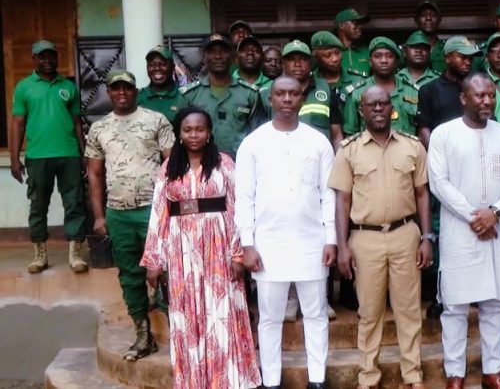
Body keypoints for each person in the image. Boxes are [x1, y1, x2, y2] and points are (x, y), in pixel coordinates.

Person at [141, 107, 260, 388]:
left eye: (200, 129)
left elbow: (237, 209)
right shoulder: (168, 167)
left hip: (219, 248)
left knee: (222, 313)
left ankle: (228, 381)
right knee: (188, 315)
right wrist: (154, 259)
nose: (194, 135)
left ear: (209, 133)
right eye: (188, 130)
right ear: (179, 134)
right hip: (180, 251)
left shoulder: (224, 164)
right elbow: (159, 213)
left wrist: (237, 253)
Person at [234, 76, 336, 389]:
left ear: (302, 98)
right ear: (271, 99)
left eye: (293, 93)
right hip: (268, 244)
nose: (287, 99)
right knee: (269, 318)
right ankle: (272, 381)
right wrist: (247, 244)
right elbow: (244, 197)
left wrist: (331, 237)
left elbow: (328, 194)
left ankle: (317, 379)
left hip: (311, 242)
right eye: (281, 94)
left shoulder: (318, 141)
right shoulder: (253, 142)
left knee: (316, 315)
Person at [428, 73, 500, 389]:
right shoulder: (444, 135)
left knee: (493, 305)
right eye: (479, 96)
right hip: (460, 232)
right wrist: (475, 217)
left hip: (496, 230)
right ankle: (455, 374)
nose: (487, 101)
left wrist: (495, 212)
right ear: (463, 98)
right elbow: (438, 183)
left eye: (490, 95)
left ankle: (492, 372)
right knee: (455, 308)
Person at [329, 85, 432, 389]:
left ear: (392, 108)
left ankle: (413, 375)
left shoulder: (412, 146)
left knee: (409, 311)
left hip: (405, 235)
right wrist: (343, 247)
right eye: (371, 105)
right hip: (365, 239)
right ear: (361, 111)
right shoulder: (349, 150)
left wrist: (427, 236)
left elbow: (423, 194)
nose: (377, 109)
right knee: (369, 313)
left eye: (383, 104)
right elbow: (342, 202)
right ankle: (368, 376)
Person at [85, 70, 175, 361]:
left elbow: (172, 166)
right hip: (118, 213)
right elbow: (95, 175)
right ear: (109, 93)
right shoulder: (99, 129)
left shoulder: (155, 120)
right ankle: (143, 334)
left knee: (166, 271)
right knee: (130, 275)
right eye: (116, 88)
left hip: (154, 210)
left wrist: (171, 209)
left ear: (136, 91)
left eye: (127, 88)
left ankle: (180, 332)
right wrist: (99, 217)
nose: (121, 93)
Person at [259, 40, 339, 321]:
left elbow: (335, 130)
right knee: (284, 238)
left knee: (319, 237)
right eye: (291, 59)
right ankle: (290, 300)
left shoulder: (325, 90)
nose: (297, 64)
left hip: (318, 168)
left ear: (310, 62)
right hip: (281, 172)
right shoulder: (266, 93)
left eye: (302, 59)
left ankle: (321, 299)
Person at [416, 35, 482, 320]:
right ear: (447, 57)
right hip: (441, 173)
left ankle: (476, 291)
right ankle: (441, 294)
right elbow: (424, 130)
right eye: (461, 56)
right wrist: (443, 157)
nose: (467, 61)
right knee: (443, 233)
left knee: (475, 226)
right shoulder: (430, 90)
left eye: (470, 57)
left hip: (474, 171)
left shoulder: (477, 88)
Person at [10, 39, 88, 274]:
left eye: (51, 56)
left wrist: (84, 153)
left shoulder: (68, 87)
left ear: (56, 58)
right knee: (38, 205)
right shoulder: (24, 87)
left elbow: (76, 123)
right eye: (42, 56)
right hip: (37, 156)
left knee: (74, 203)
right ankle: (39, 254)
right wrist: (15, 158)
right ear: (34, 59)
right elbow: (17, 124)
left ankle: (75, 254)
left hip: (69, 155)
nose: (47, 60)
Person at [180, 34, 262, 158]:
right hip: (202, 165)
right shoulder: (190, 94)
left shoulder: (249, 93)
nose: (218, 56)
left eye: (223, 52)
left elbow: (257, 135)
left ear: (232, 57)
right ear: (204, 57)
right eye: (212, 52)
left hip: (240, 164)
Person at [343, 37, 419, 135]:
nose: (384, 60)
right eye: (378, 56)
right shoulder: (358, 93)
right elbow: (350, 133)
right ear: (370, 62)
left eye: (389, 56)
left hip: (407, 149)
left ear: (396, 61)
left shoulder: (413, 91)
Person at [137, 45, 184, 122]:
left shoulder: (185, 96)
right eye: (152, 65)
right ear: (147, 68)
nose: (157, 68)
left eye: (163, 64)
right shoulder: (138, 97)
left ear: (173, 67)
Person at [334, 8, 371, 78]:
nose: (360, 27)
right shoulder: (331, 53)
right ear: (341, 25)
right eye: (355, 23)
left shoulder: (368, 51)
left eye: (360, 24)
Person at [414, 0, 446, 73]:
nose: (428, 18)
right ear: (416, 19)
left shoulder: (448, 50)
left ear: (440, 19)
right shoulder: (407, 51)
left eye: (433, 15)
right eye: (423, 15)